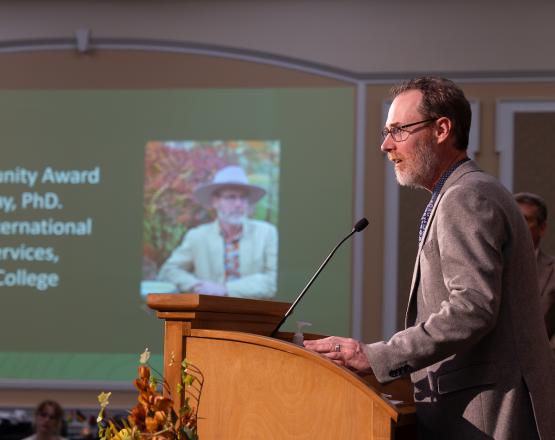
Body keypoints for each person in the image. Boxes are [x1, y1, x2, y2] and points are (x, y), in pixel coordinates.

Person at [304, 77, 555, 439]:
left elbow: (471, 308)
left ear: (442, 129)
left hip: (486, 416)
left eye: (399, 130)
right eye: (386, 131)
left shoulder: (466, 196)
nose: (385, 145)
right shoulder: (463, 192)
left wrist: (377, 356)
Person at [158, 165, 277, 298]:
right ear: (215, 201)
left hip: (254, 314)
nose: (238, 204)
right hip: (208, 315)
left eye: (243, 198)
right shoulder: (197, 236)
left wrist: (224, 289)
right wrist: (196, 285)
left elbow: (274, 280)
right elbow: (169, 271)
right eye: (231, 197)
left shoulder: (266, 233)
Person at [514, 192, 555, 352]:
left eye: (526, 219)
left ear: (542, 228)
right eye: (515, 219)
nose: (518, 225)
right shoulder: (490, 267)